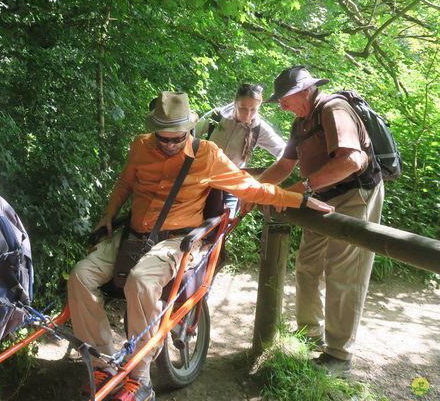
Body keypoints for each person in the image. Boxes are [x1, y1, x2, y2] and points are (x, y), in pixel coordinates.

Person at [67, 91, 334, 401]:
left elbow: (252, 188)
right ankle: (103, 364)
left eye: (175, 139)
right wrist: (108, 215)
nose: (168, 145)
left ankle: (139, 379)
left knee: (141, 282)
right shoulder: (141, 145)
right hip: (133, 234)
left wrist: (298, 198)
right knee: (80, 275)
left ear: (189, 130)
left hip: (177, 240)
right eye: (162, 139)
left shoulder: (207, 155)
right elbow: (126, 182)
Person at [256, 65, 385, 376]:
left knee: (343, 273)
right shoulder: (301, 123)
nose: (282, 106)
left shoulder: (333, 109)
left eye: (285, 99)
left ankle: (339, 355)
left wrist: (302, 189)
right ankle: (309, 334)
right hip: (321, 198)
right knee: (308, 264)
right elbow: (286, 164)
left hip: (355, 194)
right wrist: (255, 189)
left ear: (304, 91)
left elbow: (353, 160)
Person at [195, 83, 286, 214]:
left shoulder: (259, 129)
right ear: (234, 103)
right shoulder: (215, 117)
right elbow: (190, 138)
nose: (248, 114)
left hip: (232, 186)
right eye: (243, 108)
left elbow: (284, 151)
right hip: (202, 179)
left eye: (253, 110)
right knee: (192, 222)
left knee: (224, 225)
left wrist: (270, 179)